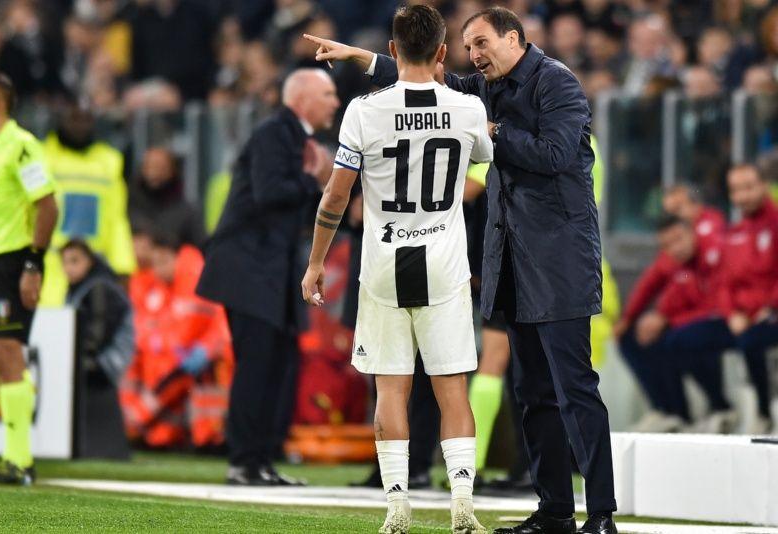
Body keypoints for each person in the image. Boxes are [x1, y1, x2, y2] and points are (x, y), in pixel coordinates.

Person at [306, 6, 618, 533]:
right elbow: (424, 76)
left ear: (514, 38)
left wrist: (491, 129)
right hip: (511, 258)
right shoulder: (482, 89)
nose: (474, 56)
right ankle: (555, 511)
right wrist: (362, 57)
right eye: (468, 46)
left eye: (482, 44)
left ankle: (602, 514)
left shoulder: (557, 83)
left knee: (575, 388)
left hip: (559, 258)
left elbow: (555, 154)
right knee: (532, 392)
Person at [301, 6, 493, 533]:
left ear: (391, 50)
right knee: (452, 388)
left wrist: (316, 261)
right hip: (444, 263)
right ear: (442, 53)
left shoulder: (363, 110)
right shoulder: (467, 107)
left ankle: (397, 507)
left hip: (384, 261)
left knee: (391, 389)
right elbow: (484, 157)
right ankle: (462, 504)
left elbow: (335, 197)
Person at [196, 68, 336, 486]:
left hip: (271, 267)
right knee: (257, 363)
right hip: (249, 266)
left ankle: (261, 460)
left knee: (279, 363)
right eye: (327, 94)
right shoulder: (274, 134)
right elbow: (270, 193)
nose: (335, 101)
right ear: (302, 99)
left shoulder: (294, 138)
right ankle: (244, 461)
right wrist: (315, 180)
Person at [0, 71, 58, 485]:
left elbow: (47, 206)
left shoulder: (21, 146)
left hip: (10, 264)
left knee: (8, 352)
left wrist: (33, 264)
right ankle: (12, 453)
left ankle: (19, 459)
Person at [619, 215, 734, 433]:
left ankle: (720, 406)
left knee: (679, 339)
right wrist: (629, 319)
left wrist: (666, 321)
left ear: (692, 233)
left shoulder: (715, 252)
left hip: (730, 319)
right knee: (629, 338)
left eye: (678, 239)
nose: (675, 248)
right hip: (691, 320)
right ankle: (669, 411)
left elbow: (717, 306)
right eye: (666, 245)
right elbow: (649, 286)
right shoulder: (674, 262)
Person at [120, 234, 234, 449]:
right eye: (155, 264)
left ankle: (209, 436)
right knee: (143, 366)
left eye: (163, 262)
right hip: (182, 357)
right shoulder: (161, 288)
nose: (158, 269)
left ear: (177, 259)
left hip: (211, 356)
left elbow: (197, 330)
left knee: (173, 374)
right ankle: (154, 431)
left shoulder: (193, 279)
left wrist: (200, 350)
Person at [40, 100, 136, 306]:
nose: (80, 125)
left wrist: (123, 265)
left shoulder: (110, 160)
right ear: (60, 120)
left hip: (95, 265)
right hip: (51, 266)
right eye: (74, 118)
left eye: (86, 119)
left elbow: (117, 217)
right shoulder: (41, 157)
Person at [62, 239, 133, 459]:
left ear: (89, 261)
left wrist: (78, 359)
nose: (69, 268)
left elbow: (98, 333)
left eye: (75, 261)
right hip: (96, 356)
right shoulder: (80, 288)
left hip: (109, 359)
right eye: (65, 262)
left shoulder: (99, 286)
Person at [720, 164, 778, 434]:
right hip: (744, 317)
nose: (743, 196)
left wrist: (769, 306)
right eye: (736, 190)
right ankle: (719, 410)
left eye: (749, 187)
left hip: (770, 313)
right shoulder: (735, 231)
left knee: (750, 342)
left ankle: (764, 413)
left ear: (764, 185)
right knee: (679, 341)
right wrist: (731, 313)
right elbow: (724, 282)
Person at [127, 147, 206, 248]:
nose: (153, 173)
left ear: (172, 170)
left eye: (159, 167)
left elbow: (201, 248)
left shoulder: (186, 213)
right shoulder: (128, 205)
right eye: (148, 167)